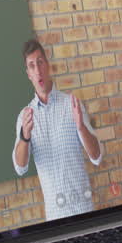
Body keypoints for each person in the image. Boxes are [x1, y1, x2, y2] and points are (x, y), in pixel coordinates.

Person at [12, 38, 103, 220]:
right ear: (28, 74)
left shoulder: (72, 104)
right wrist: (25, 137)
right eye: (32, 66)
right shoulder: (25, 117)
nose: (38, 70)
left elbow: (97, 157)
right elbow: (20, 168)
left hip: (83, 211)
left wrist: (81, 127)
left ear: (47, 65)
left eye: (40, 62)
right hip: (55, 218)